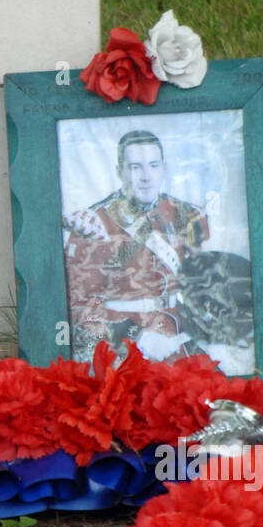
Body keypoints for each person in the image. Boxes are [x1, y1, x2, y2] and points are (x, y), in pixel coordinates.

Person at [63, 129, 209, 363]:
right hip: (125, 350)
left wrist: (175, 323)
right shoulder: (93, 225)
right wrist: (136, 336)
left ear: (163, 168)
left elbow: (199, 288)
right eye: (135, 167)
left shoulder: (185, 215)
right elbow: (79, 308)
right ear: (119, 171)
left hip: (181, 337)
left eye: (153, 165)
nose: (146, 176)